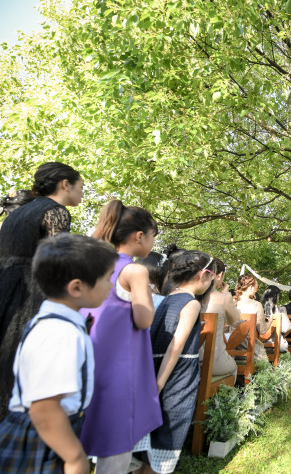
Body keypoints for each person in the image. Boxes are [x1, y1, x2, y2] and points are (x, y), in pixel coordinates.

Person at [0, 233, 117, 474]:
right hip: (43, 437)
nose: (111, 285)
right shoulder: (60, 333)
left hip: (51, 433)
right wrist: (74, 457)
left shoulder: (58, 324)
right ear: (76, 287)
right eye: (107, 278)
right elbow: (44, 407)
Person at [79, 200, 162, 473]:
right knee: (116, 447)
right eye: (152, 237)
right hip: (120, 366)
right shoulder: (135, 270)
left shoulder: (90, 263)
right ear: (140, 237)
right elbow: (144, 319)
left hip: (86, 357)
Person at [0, 162, 84, 421]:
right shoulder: (55, 211)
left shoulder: (17, 213)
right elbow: (57, 264)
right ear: (65, 184)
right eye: (81, 187)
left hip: (6, 289)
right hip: (32, 292)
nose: (83, 193)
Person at [138, 249, 216, 474]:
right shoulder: (191, 304)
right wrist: (160, 384)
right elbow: (176, 346)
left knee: (149, 437)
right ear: (203, 275)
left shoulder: (166, 299)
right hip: (177, 377)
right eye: (211, 277)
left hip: (153, 367)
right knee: (167, 436)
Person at [200, 258, 241, 383]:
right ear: (219, 275)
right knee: (234, 366)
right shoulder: (224, 298)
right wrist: (226, 295)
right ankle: (225, 401)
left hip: (187, 362)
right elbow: (235, 321)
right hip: (214, 362)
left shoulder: (191, 296)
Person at [233, 274, 271, 362]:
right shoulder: (256, 305)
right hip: (249, 348)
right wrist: (270, 319)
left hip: (230, 348)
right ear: (250, 287)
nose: (255, 292)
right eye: (256, 288)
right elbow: (262, 330)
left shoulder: (230, 302)